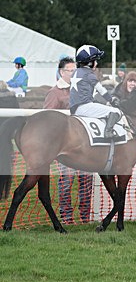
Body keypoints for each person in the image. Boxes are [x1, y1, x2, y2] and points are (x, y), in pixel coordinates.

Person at [44, 57, 92, 223]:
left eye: (75, 70)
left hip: (85, 145)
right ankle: (67, 217)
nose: (73, 74)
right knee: (66, 181)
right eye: (69, 70)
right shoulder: (54, 93)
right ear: (61, 72)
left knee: (86, 181)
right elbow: (48, 119)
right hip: (65, 147)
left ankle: (85, 217)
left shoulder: (82, 89)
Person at [70, 45, 123, 140]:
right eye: (95, 61)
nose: (97, 63)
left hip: (74, 108)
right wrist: (112, 100)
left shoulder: (76, 72)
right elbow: (102, 90)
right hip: (84, 107)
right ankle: (108, 133)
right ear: (90, 62)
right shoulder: (89, 74)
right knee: (115, 112)